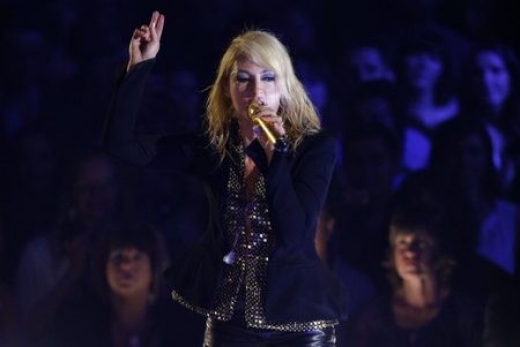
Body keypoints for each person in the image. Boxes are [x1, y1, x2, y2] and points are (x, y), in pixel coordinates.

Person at [103, 10, 348, 347]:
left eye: (268, 77)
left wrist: (277, 155)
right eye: (243, 78)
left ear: (285, 89)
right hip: (230, 320)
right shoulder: (213, 147)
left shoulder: (314, 149)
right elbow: (121, 146)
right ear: (228, 92)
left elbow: (293, 234)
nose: (256, 90)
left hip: (299, 323)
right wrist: (137, 68)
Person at [345, 203, 484, 347]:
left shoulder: (464, 315)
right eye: (402, 243)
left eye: (421, 244)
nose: (410, 252)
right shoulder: (373, 317)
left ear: (438, 251)